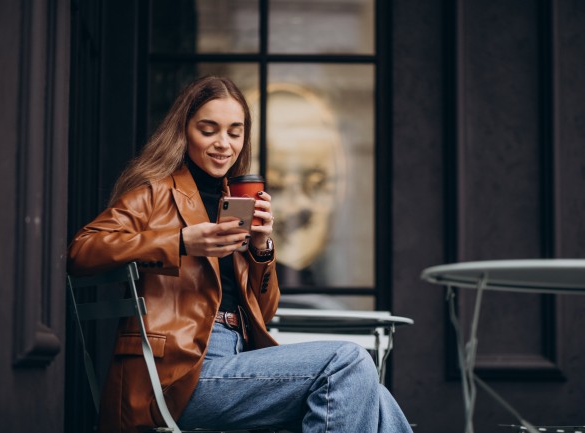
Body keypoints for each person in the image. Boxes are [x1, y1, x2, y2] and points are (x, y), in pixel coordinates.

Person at [67, 75, 413, 433]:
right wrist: (181, 241)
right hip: (174, 375)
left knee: (373, 393)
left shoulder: (236, 201)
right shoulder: (154, 193)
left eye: (235, 132)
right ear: (184, 131)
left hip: (239, 362)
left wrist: (262, 249)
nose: (223, 144)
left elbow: (264, 313)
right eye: (209, 130)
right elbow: (81, 252)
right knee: (349, 360)